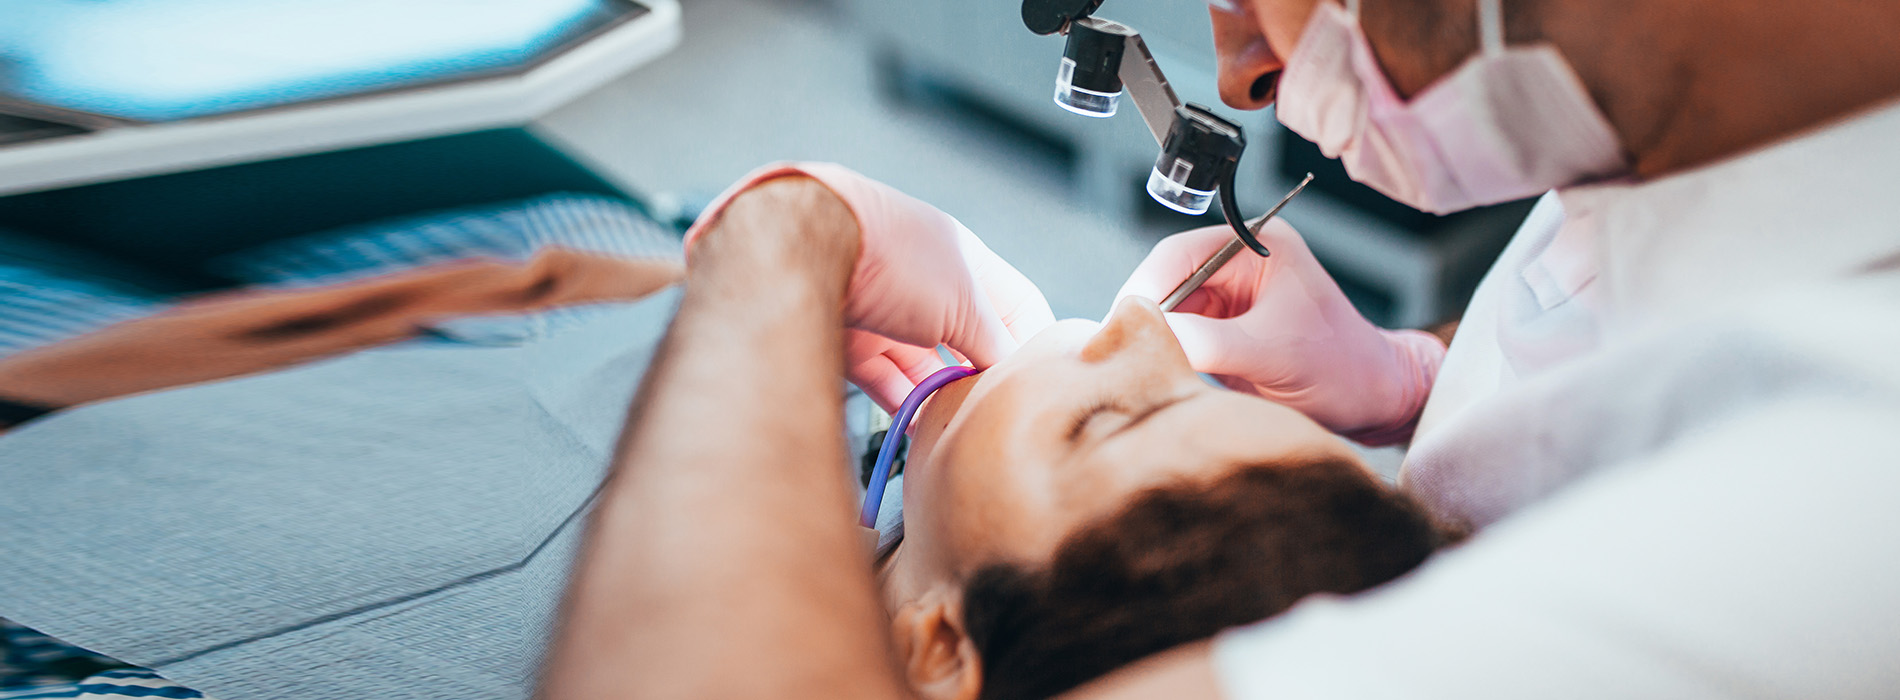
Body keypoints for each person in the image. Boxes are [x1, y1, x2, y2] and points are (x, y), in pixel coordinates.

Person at [545, 0, 1900, 692]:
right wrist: (1419, 383)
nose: (1243, 65)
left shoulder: (1837, 527)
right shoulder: (1742, 130)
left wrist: (785, 238)